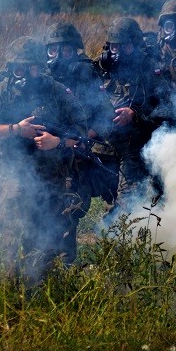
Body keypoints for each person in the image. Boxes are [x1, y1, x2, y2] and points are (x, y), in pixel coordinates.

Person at [0, 36, 89, 273]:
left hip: (52, 178)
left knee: (48, 242)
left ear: (41, 67)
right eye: (19, 68)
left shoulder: (57, 92)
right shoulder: (1, 91)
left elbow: (82, 130)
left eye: (32, 68)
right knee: (14, 233)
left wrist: (57, 142)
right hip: (12, 175)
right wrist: (14, 130)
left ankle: (44, 291)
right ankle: (13, 287)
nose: (25, 74)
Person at [95, 17, 168, 218]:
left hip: (135, 146)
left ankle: (119, 236)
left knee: (126, 202)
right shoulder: (100, 69)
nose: (117, 53)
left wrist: (135, 114)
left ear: (136, 46)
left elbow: (164, 109)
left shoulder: (151, 70)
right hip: (103, 145)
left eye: (124, 47)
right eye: (114, 47)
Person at [44, 22, 119, 210]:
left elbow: (106, 114)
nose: (59, 57)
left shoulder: (87, 74)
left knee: (72, 207)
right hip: (44, 151)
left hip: (77, 150)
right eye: (54, 51)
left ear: (75, 51)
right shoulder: (40, 77)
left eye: (66, 51)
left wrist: (85, 136)